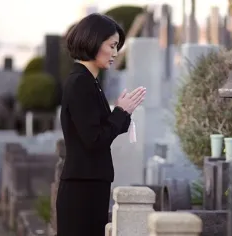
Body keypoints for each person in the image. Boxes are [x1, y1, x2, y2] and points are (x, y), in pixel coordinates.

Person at [56, 13, 146, 236]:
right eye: (112, 45)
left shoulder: (89, 81)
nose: (116, 53)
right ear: (94, 41)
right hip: (81, 189)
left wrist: (122, 113)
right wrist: (120, 112)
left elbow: (101, 130)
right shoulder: (80, 83)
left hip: (90, 184)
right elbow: (94, 139)